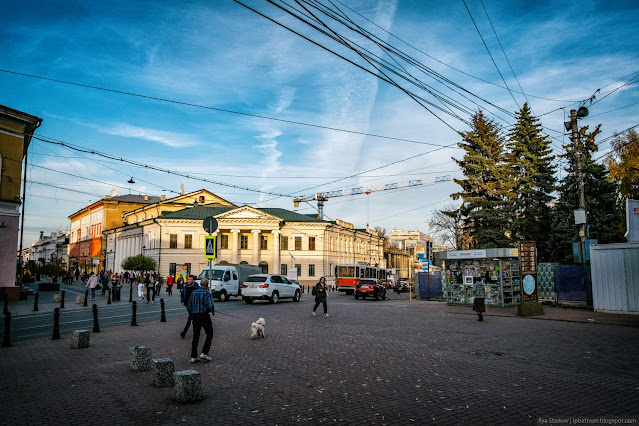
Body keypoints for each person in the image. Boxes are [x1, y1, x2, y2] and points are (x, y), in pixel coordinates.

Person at [187, 278, 215, 363]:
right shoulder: (207, 293)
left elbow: (189, 305)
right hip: (204, 315)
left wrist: (192, 313)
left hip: (195, 316)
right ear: (207, 285)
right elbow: (210, 305)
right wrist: (212, 311)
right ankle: (204, 353)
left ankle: (193, 356)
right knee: (209, 333)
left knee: (196, 336)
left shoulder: (193, 293)